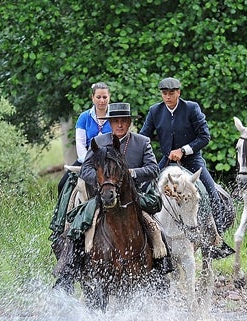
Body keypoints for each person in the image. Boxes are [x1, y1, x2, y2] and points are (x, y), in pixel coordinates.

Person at [54, 102, 173, 292]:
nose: (119, 125)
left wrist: (131, 174)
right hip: (104, 195)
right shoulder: (99, 141)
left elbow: (153, 169)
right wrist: (103, 184)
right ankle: (69, 268)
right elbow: (85, 169)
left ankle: (161, 271)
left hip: (132, 197)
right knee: (80, 224)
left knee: (155, 227)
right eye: (115, 121)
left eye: (123, 121)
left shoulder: (142, 142)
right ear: (110, 123)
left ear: (128, 122)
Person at [140, 77, 234, 258]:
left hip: (193, 161)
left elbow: (204, 136)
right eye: (164, 93)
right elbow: (144, 137)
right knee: (145, 190)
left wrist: (184, 150)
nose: (167, 97)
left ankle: (216, 241)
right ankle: (152, 239)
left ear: (178, 92)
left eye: (171, 93)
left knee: (210, 192)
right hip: (167, 162)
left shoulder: (191, 108)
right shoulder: (154, 111)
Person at [57, 82, 112, 195]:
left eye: (105, 97)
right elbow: (80, 143)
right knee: (62, 184)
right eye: (98, 97)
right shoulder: (84, 117)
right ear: (93, 98)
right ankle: (60, 212)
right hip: (87, 158)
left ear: (109, 97)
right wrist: (88, 161)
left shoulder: (115, 117)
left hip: (110, 159)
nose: (102, 100)